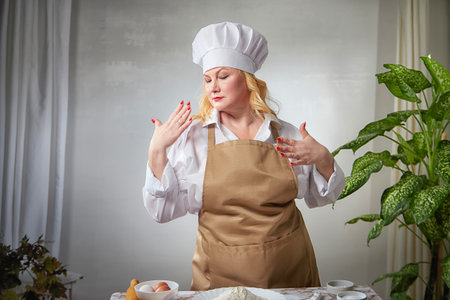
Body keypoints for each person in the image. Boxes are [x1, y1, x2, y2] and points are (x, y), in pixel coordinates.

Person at [143, 21, 345, 291]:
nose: (213, 87)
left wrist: (323, 158)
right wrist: (157, 150)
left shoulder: (286, 134)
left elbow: (323, 196)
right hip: (218, 281)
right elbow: (162, 211)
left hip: (290, 277)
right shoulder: (193, 137)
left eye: (223, 76)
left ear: (248, 80)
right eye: (207, 79)